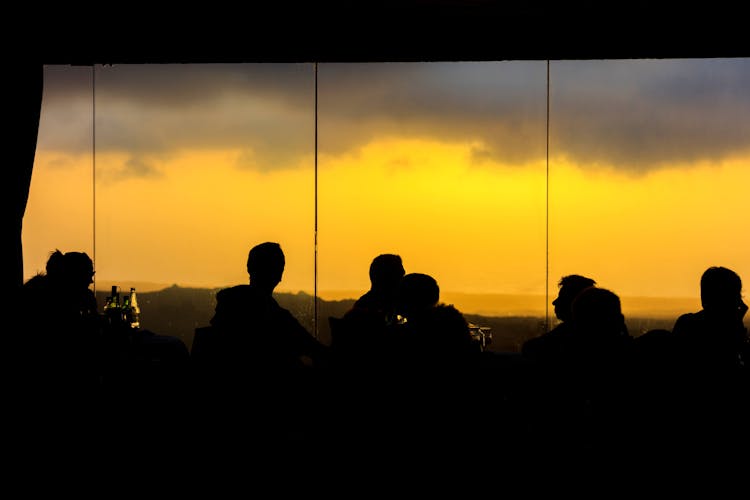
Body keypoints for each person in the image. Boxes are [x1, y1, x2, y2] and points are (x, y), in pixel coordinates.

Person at [192, 242, 329, 446]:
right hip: (268, 414)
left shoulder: (226, 313)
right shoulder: (277, 318)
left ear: (249, 268)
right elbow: (316, 352)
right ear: (279, 274)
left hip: (221, 414)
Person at [521, 274, 596, 361]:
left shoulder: (569, 333)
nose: (554, 302)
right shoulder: (602, 333)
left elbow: (530, 348)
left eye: (562, 298)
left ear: (575, 302)